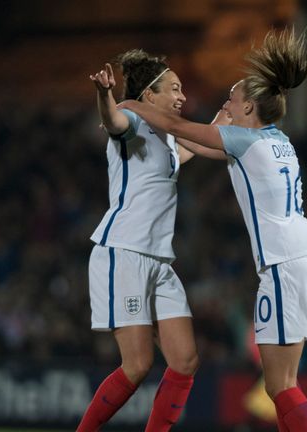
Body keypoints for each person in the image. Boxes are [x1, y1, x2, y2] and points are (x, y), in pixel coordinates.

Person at [118, 26, 307, 431]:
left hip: (285, 266)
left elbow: (180, 129)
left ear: (250, 108)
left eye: (232, 98)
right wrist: (217, 122)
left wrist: (130, 104)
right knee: (281, 385)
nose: (227, 102)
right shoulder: (277, 141)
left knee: (281, 386)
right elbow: (198, 146)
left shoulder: (244, 142)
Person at [79, 49, 222, 432]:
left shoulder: (171, 142)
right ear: (149, 96)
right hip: (124, 253)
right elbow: (112, 120)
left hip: (160, 263)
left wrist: (234, 115)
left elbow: (210, 143)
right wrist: (104, 95)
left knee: (185, 360)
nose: (182, 97)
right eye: (174, 89)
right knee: (138, 365)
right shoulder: (135, 125)